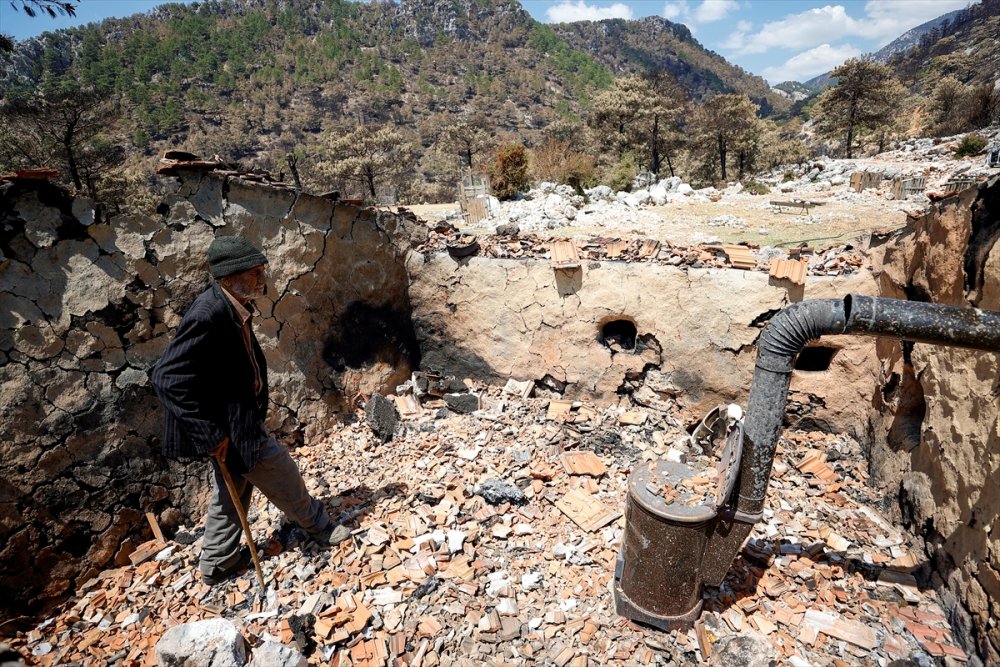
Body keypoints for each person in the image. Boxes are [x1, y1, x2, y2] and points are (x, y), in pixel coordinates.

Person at [152, 235, 350, 585]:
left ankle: (218, 562)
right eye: (256, 273)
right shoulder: (209, 313)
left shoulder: (233, 304)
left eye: (262, 271)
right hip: (229, 424)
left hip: (237, 417)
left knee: (235, 489)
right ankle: (319, 526)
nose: (263, 279)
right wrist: (209, 434)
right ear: (230, 277)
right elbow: (166, 377)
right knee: (281, 470)